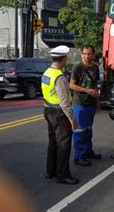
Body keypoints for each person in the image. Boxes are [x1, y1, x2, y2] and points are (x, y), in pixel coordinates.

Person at [41, 45, 79, 185]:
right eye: (66, 58)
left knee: (53, 142)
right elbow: (64, 101)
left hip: (48, 110)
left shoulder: (47, 73)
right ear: (63, 59)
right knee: (63, 144)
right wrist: (72, 119)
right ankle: (62, 175)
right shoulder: (60, 77)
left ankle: (50, 171)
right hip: (59, 113)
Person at [69, 44, 101, 167]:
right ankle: (79, 156)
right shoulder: (77, 67)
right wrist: (87, 91)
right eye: (84, 54)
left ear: (93, 54)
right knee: (79, 130)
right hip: (80, 103)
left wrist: (97, 102)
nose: (87, 56)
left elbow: (95, 86)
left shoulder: (95, 68)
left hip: (91, 104)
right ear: (81, 54)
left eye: (89, 54)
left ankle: (87, 151)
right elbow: (71, 85)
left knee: (88, 130)